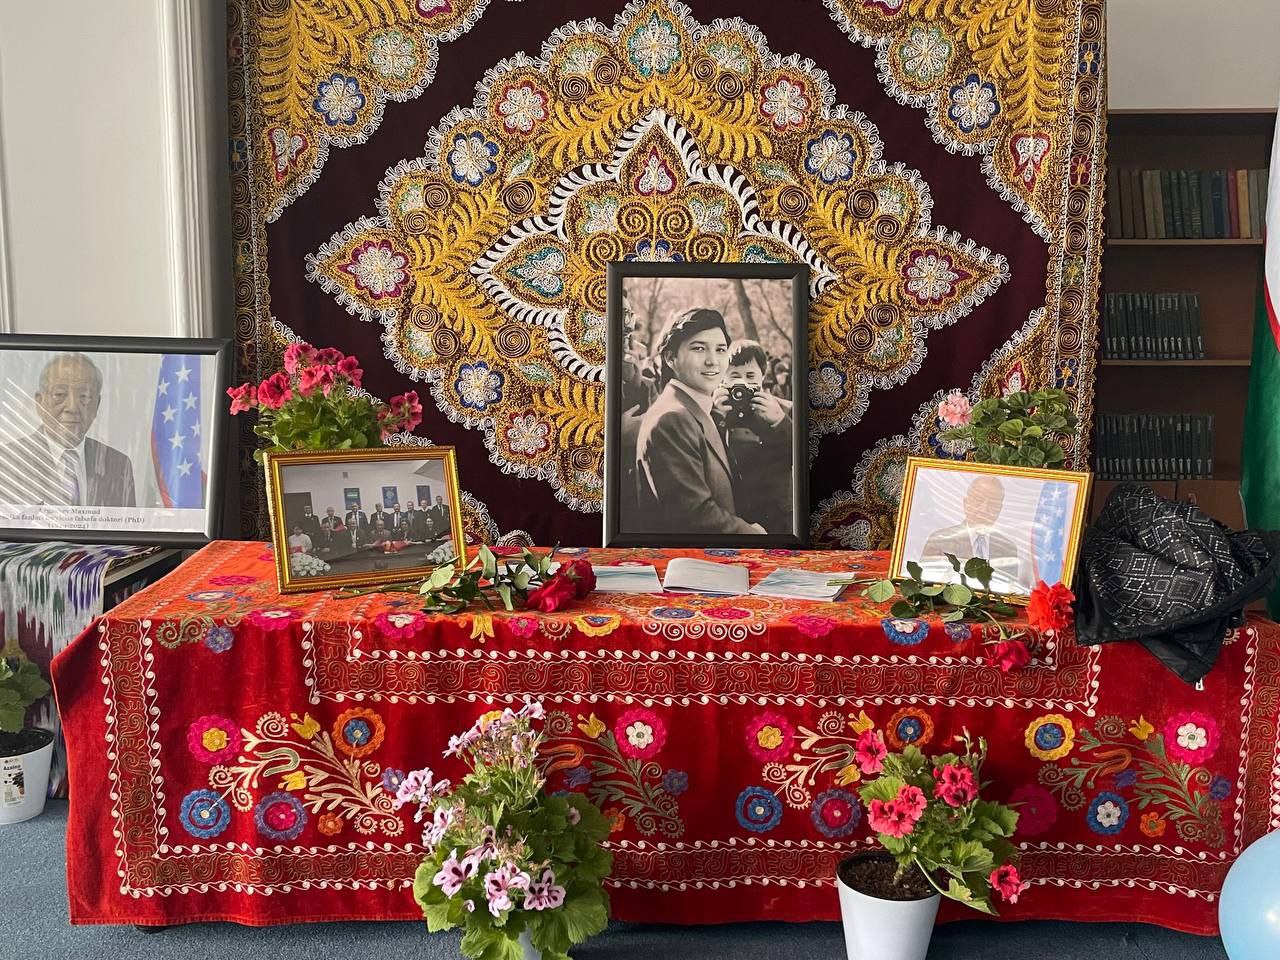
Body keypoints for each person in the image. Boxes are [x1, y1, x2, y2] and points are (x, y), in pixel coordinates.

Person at [634, 308, 763, 536]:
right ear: (671, 358)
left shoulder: (696, 409)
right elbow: (695, 516)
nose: (713, 361)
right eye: (699, 348)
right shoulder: (672, 419)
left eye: (720, 350)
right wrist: (756, 537)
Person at [0, 352, 136, 507]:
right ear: (40, 402)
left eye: (84, 396)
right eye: (59, 394)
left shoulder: (118, 465)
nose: (72, 407)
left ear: (97, 405)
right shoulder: (7, 462)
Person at [715, 340, 792, 534]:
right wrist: (716, 418)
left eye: (750, 376)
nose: (742, 383)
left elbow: (801, 456)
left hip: (777, 516)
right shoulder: (715, 413)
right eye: (735, 376)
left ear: (763, 376)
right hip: (734, 516)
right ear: (723, 379)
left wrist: (780, 421)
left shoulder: (785, 410)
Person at [919, 475, 1024, 590]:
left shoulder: (1008, 548)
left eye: (992, 504)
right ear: (966, 503)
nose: (984, 509)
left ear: (999, 509)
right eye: (978, 501)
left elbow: (1010, 591)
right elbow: (926, 587)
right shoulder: (941, 541)